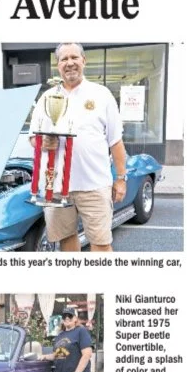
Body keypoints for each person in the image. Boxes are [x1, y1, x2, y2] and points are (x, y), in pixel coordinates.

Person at [30, 42, 127, 252]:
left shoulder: (101, 95)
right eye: (64, 59)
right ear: (58, 65)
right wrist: (44, 142)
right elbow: (33, 137)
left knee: (101, 244)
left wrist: (121, 178)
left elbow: (116, 141)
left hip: (94, 185)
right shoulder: (46, 98)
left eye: (74, 57)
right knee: (66, 241)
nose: (70, 63)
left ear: (84, 61)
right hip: (55, 187)